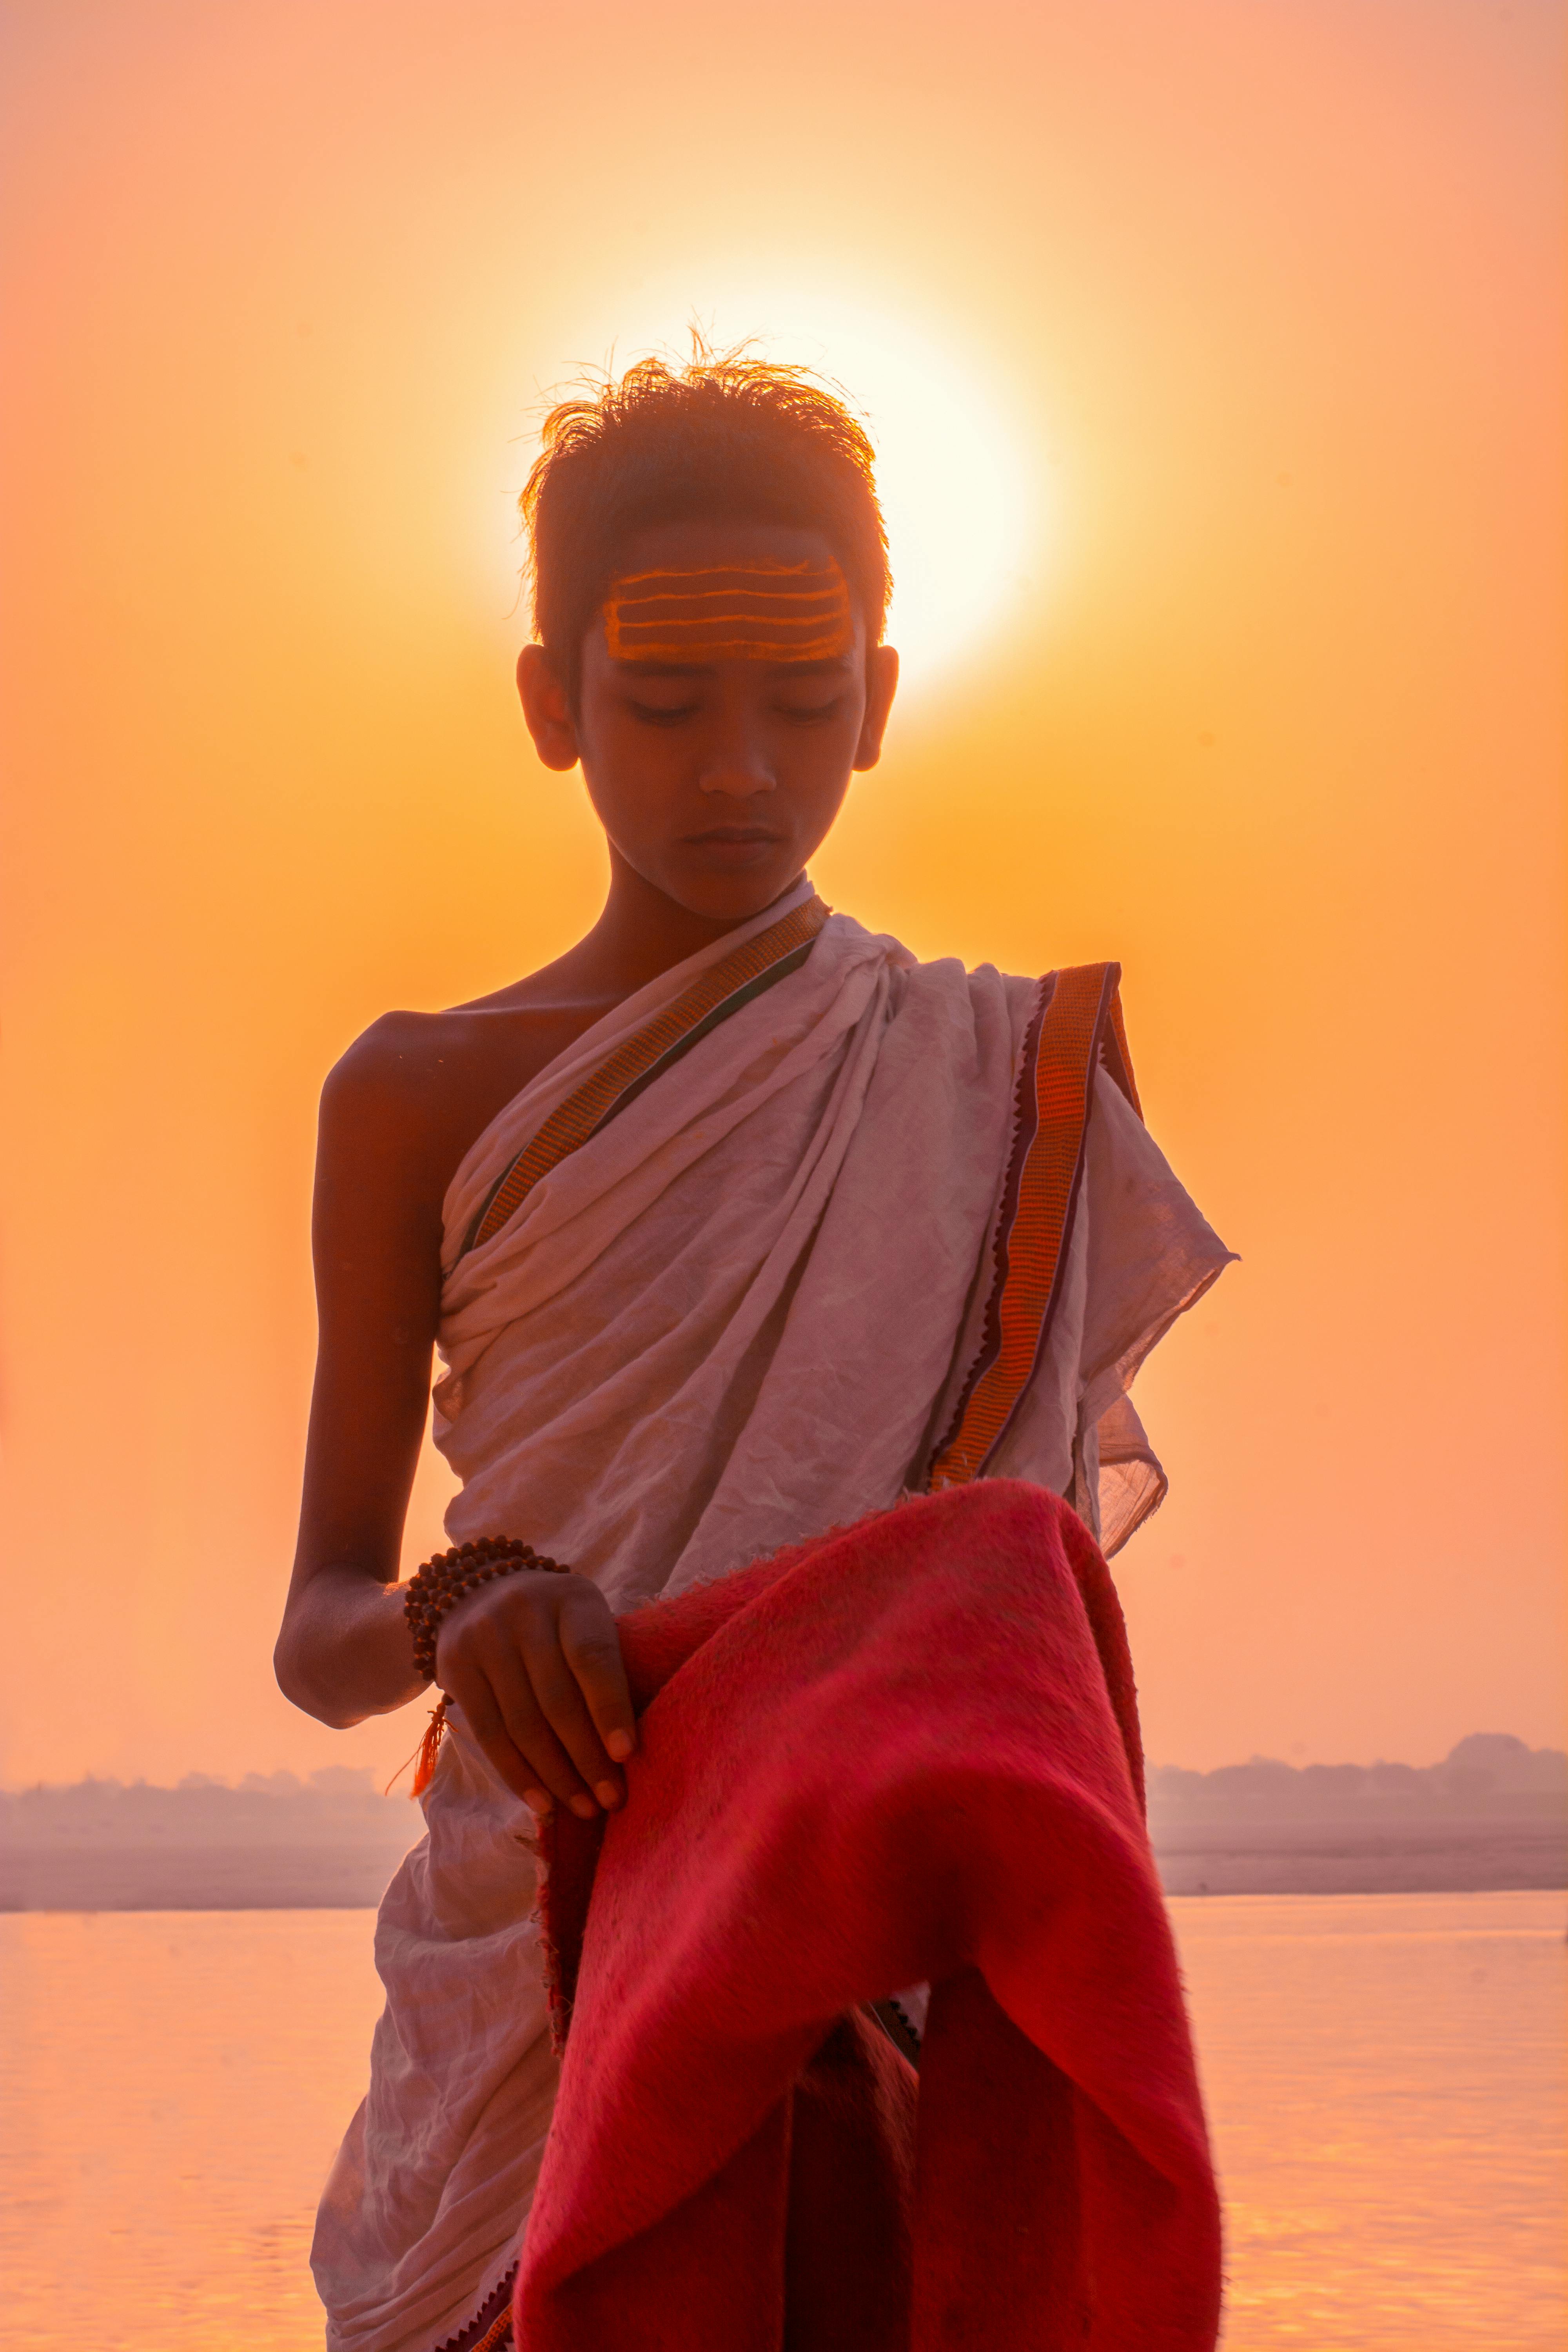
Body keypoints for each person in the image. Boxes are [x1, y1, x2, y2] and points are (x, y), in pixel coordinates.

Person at [276, 347, 1232, 2352]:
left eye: (803, 705)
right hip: (526, 1969)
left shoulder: (1011, 1076)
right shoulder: (420, 1095)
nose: (736, 768)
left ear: (878, 703)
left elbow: (1018, 1604)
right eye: (664, 701)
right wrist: (471, 1604)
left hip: (865, 1976)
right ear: (553, 704)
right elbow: (321, 1626)